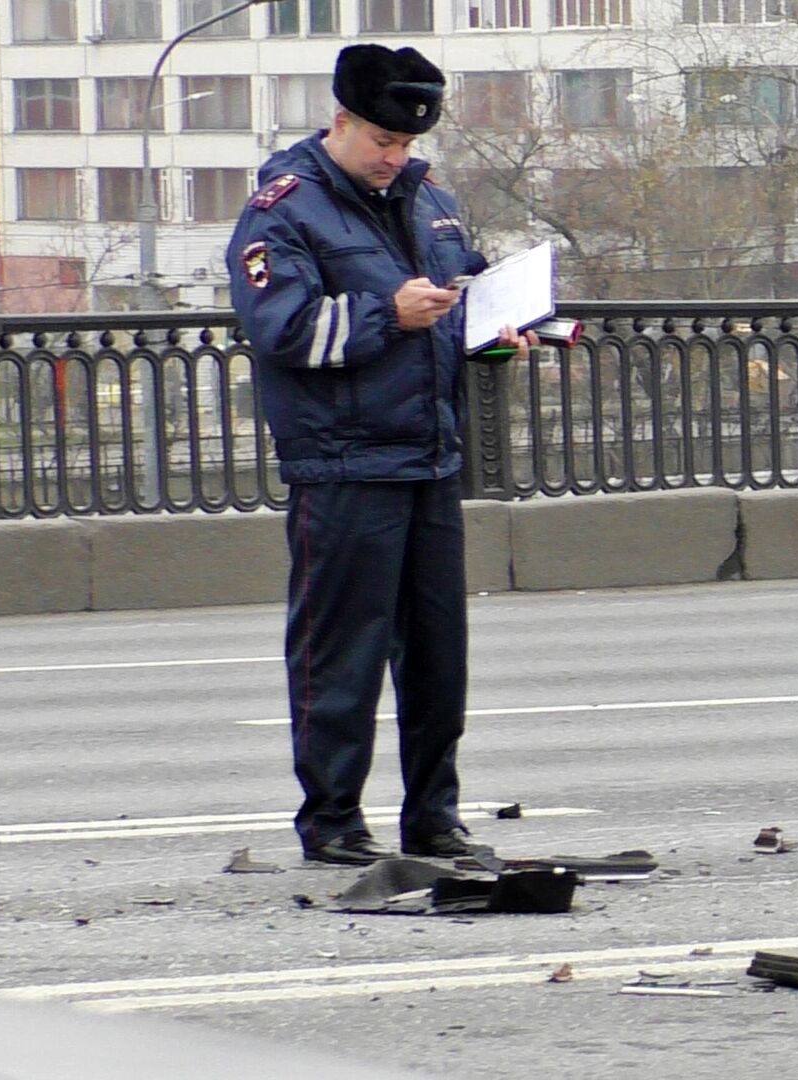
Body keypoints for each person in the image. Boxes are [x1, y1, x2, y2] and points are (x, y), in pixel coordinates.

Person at [226, 44, 537, 866]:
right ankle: (332, 822)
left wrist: (499, 333)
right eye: (382, 143)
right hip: (342, 465)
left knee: (439, 658)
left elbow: (457, 299)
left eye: (405, 144)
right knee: (342, 656)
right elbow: (281, 330)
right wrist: (385, 314)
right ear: (342, 123)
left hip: (429, 458)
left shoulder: (431, 198)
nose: (395, 158)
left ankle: (434, 817)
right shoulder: (282, 210)